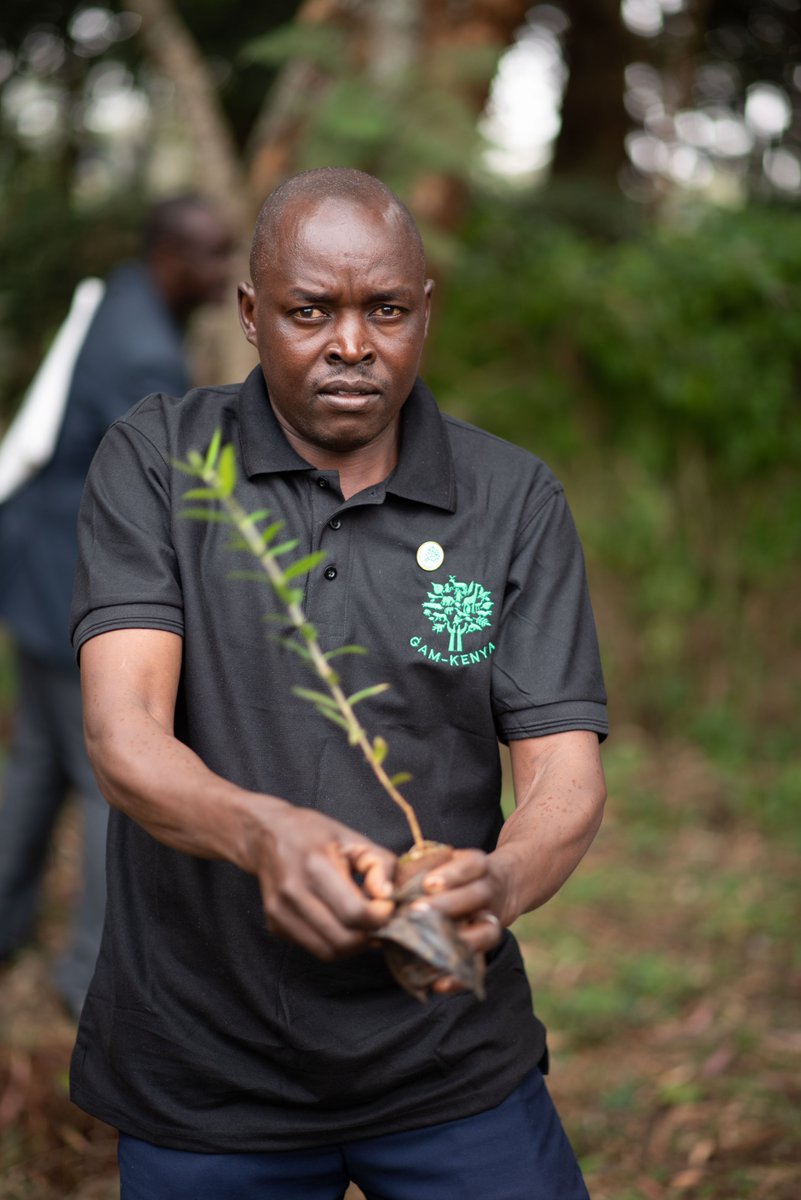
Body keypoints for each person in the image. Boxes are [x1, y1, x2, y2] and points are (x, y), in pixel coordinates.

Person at [69, 168, 608, 1199]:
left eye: (386, 310)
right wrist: (265, 835)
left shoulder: (511, 498)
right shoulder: (161, 463)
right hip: (207, 1073)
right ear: (250, 314)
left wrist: (505, 880)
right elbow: (124, 734)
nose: (353, 344)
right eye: (311, 311)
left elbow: (563, 776)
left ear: (424, 310)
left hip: (450, 1057)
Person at [0, 194, 235, 1020]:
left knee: (36, 763)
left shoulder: (125, 299)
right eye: (213, 255)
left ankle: (8, 928)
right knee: (109, 778)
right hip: (68, 582)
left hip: (29, 562)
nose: (224, 272)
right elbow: (145, 500)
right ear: (173, 256)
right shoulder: (146, 354)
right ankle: (87, 976)